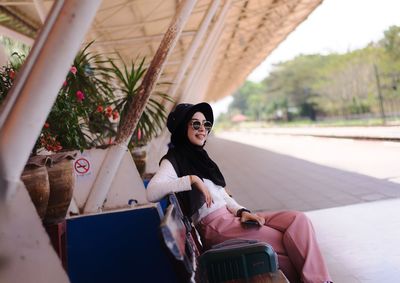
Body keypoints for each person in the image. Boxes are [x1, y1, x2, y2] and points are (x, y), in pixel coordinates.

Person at [146, 102, 332, 283]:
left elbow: (223, 195)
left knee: (298, 220)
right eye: (196, 123)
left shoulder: (202, 159)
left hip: (232, 218)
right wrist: (191, 179)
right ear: (181, 127)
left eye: (206, 124)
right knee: (284, 244)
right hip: (216, 227)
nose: (202, 128)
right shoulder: (173, 160)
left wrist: (241, 211)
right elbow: (151, 192)